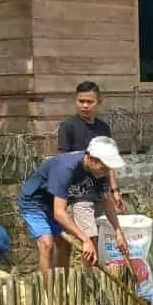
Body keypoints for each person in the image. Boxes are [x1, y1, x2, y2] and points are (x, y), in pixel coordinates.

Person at [17, 137, 132, 276]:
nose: (106, 172)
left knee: (65, 245)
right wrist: (85, 239)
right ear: (91, 158)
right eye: (104, 167)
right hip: (34, 201)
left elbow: (107, 202)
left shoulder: (100, 173)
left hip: (53, 203)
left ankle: (61, 285)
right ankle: (48, 294)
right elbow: (59, 213)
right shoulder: (65, 168)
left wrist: (118, 232)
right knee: (47, 243)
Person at [58, 81, 124, 237]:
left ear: (98, 102)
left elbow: (109, 162)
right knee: (89, 237)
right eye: (81, 101)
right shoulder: (68, 126)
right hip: (80, 191)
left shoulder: (103, 128)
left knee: (106, 234)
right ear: (76, 100)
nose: (85, 106)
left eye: (89, 101)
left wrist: (114, 190)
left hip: (101, 189)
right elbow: (61, 162)